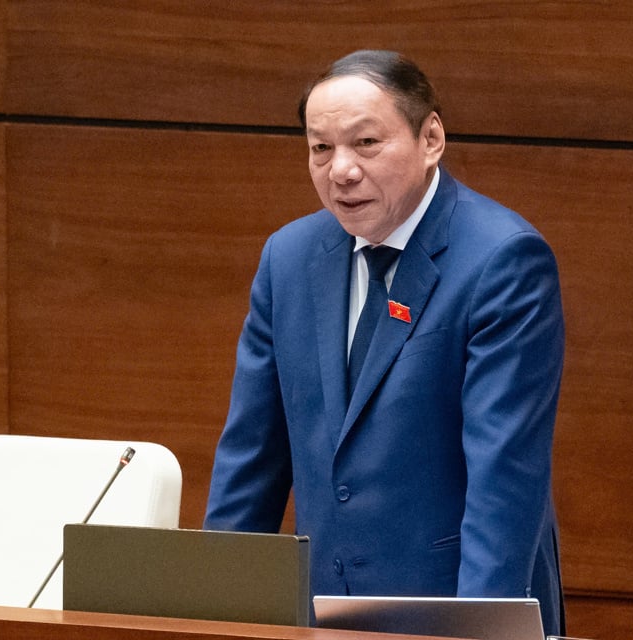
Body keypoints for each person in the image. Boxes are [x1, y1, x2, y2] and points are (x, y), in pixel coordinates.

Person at [204, 49, 566, 636]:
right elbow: (250, 459)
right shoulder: (288, 259)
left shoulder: (503, 261)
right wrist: (213, 615)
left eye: (366, 143)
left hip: (450, 609)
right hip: (320, 611)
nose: (340, 170)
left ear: (431, 138)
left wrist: (477, 632)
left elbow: (506, 482)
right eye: (321, 148)